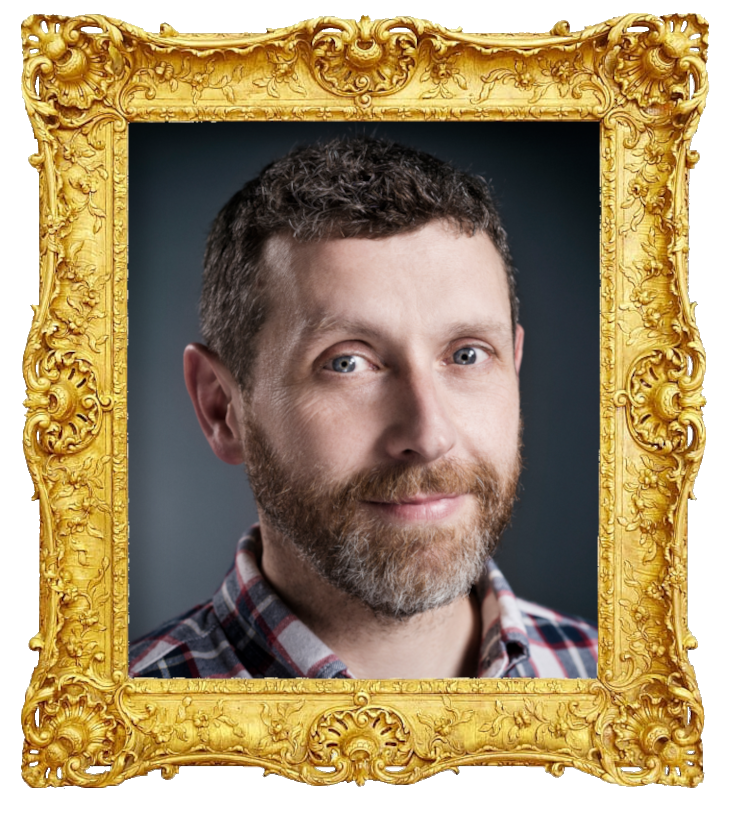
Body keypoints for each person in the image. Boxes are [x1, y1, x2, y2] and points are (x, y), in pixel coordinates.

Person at [129, 136, 597, 680]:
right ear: (221, 408)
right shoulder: (111, 735)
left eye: (467, 355)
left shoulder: (625, 695)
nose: (428, 434)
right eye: (347, 363)